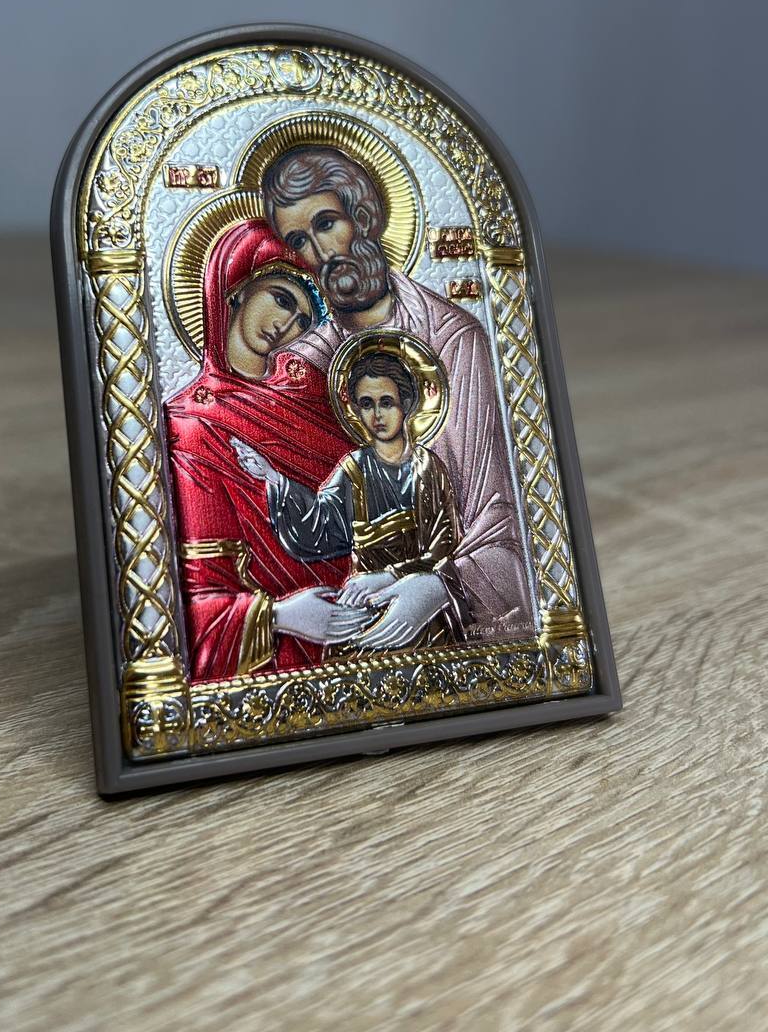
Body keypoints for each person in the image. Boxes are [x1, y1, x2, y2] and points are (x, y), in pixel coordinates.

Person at [261, 145, 534, 641]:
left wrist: (440, 586)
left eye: (327, 223)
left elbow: (501, 520)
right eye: (299, 240)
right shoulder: (301, 366)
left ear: (363, 216)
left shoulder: (454, 341)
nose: (322, 253)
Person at [164, 218, 361, 682]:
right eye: (281, 299)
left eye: (304, 321)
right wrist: (279, 617)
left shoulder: (313, 401)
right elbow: (194, 604)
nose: (286, 325)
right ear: (238, 288)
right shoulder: (190, 426)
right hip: (284, 662)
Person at [233, 348, 470, 651]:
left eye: (387, 402)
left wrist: (388, 577)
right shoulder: (354, 469)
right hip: (362, 607)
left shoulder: (428, 469)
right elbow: (319, 527)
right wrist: (273, 478)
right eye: (367, 404)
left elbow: (446, 548)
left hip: (421, 611)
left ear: (407, 403)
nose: (377, 415)